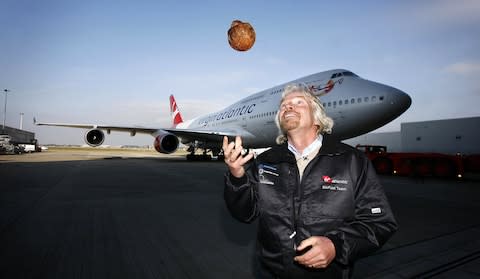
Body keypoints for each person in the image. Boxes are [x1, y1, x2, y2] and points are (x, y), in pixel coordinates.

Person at [222, 83, 397, 278]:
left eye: (298, 102)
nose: (288, 106)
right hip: (272, 273)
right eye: (284, 105)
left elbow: (379, 223)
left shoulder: (352, 161)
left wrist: (336, 246)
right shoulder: (266, 161)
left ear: (317, 117)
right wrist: (237, 176)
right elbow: (245, 213)